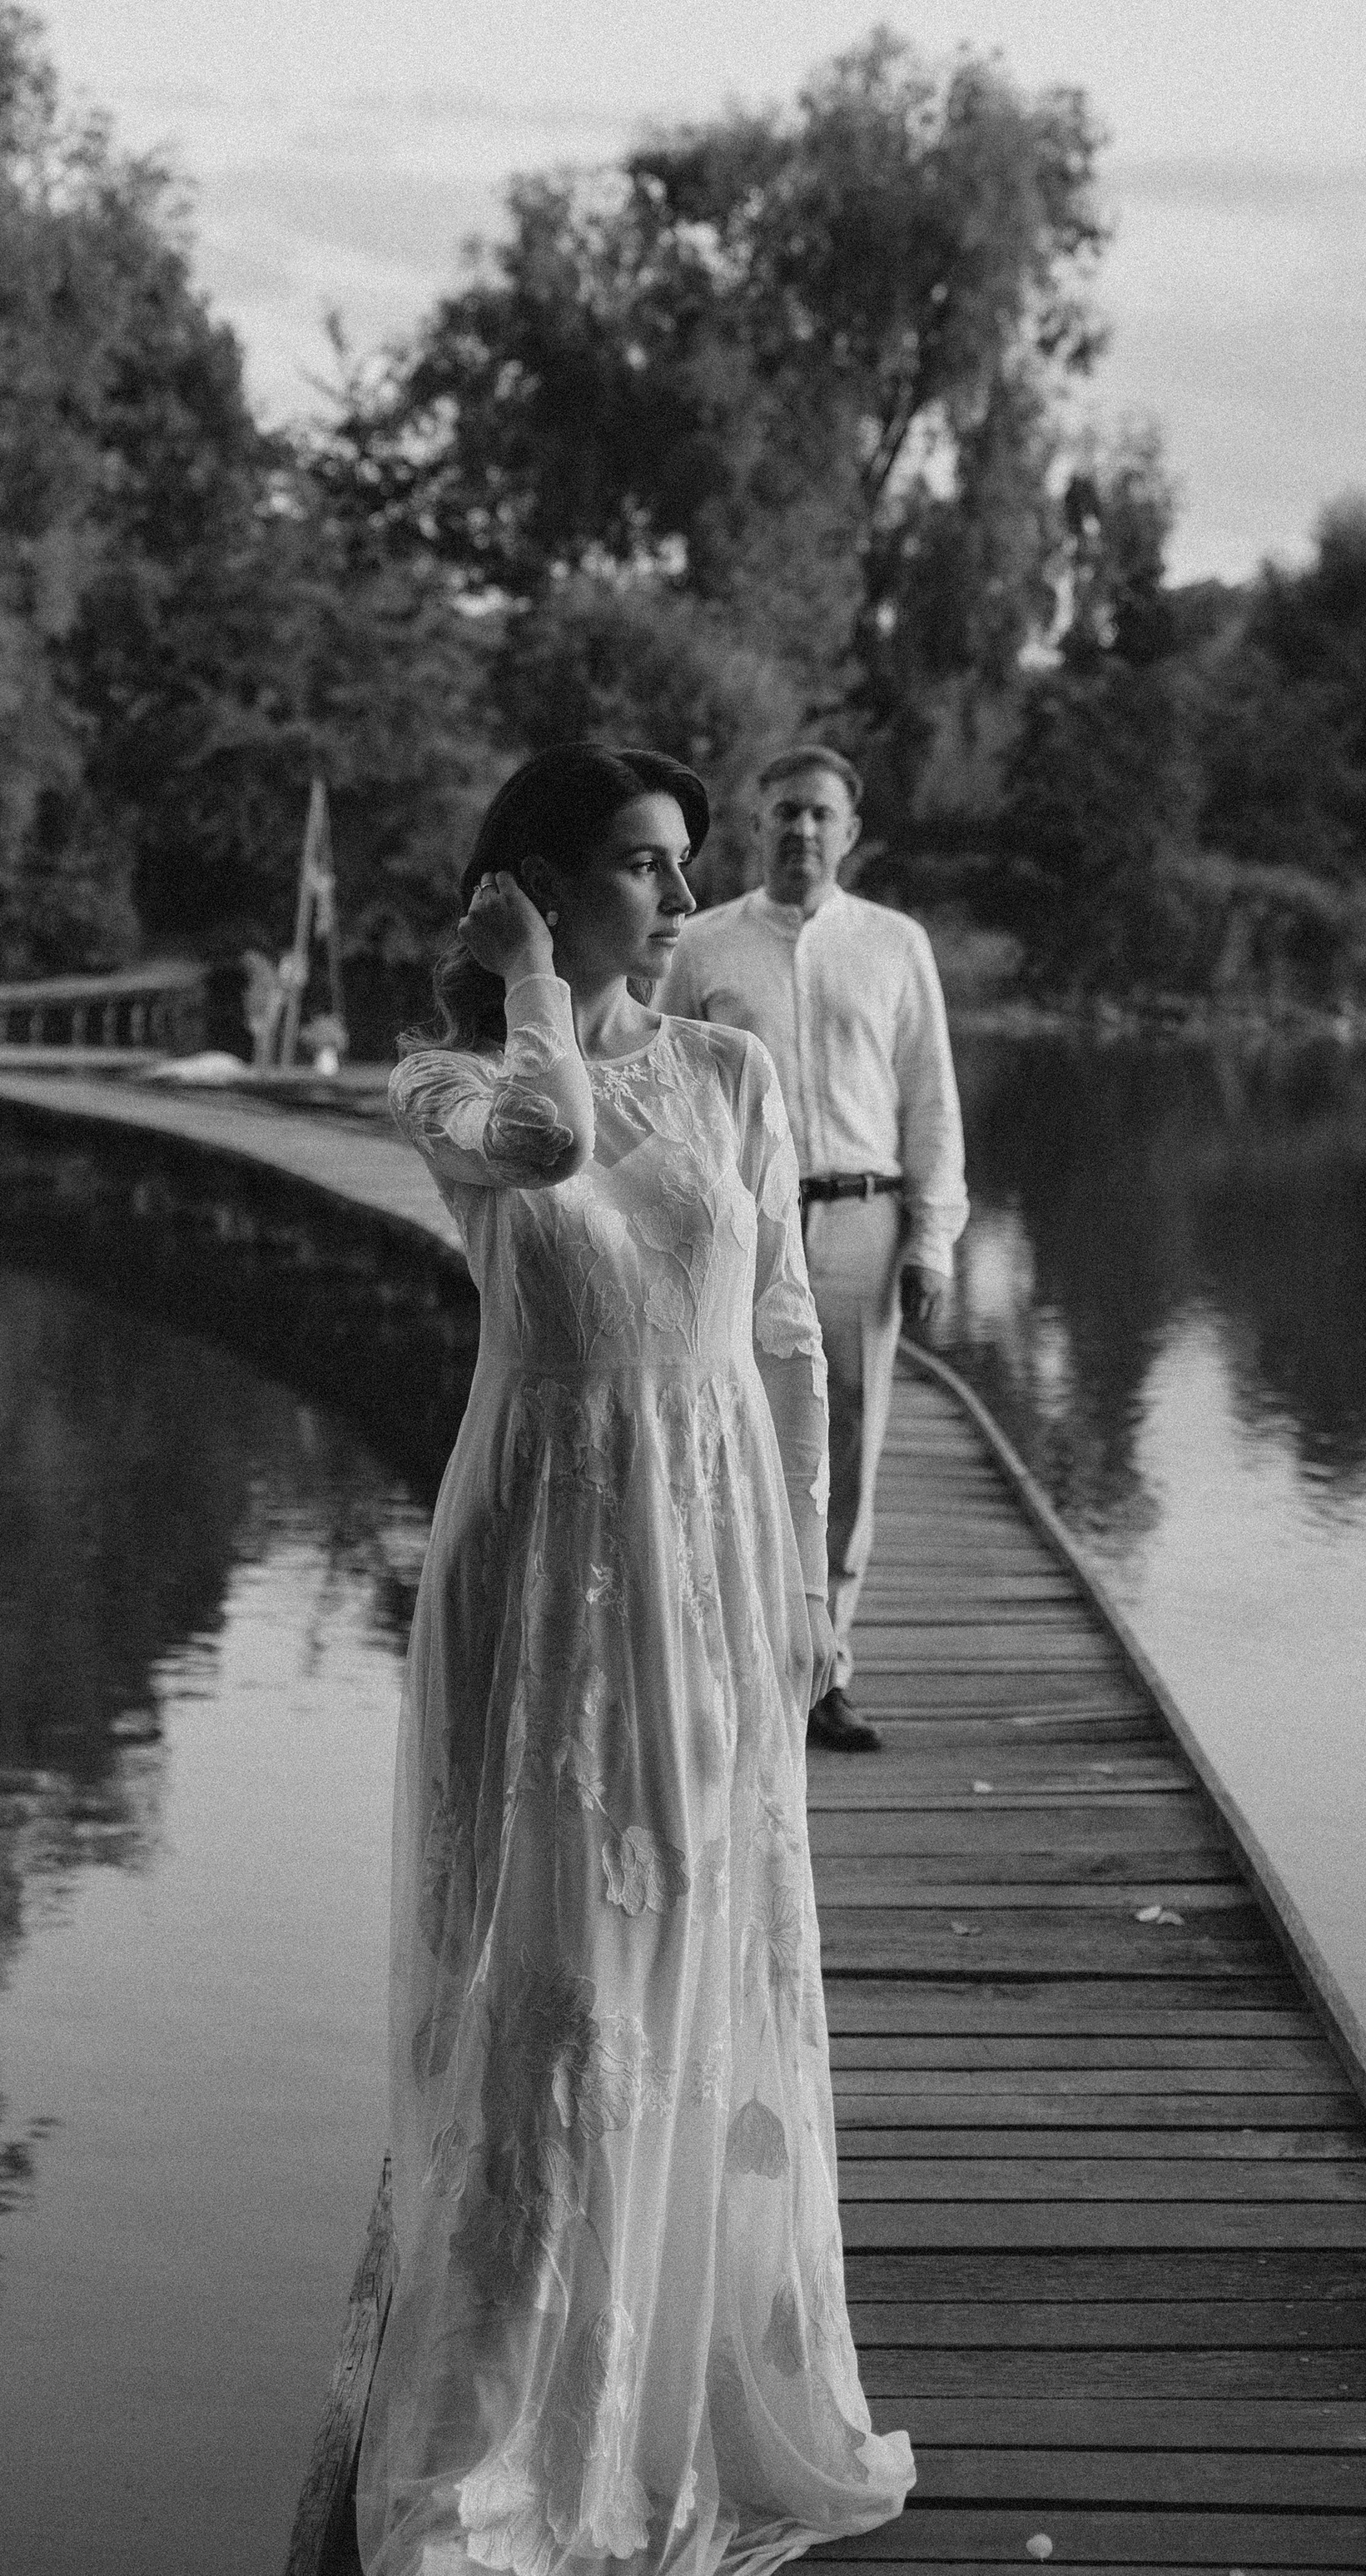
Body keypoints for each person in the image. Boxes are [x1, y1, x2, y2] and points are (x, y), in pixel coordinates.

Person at [359, 744, 913, 2576]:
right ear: (534, 886)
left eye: (687, 865)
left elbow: (786, 1341)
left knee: (692, 1931)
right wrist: (529, 984)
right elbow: (548, 1146)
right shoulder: (444, 1081)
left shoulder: (733, 1073)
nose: (683, 901)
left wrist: (808, 1581)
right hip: (544, 1551)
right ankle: (526, 2416)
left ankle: (680, 2386)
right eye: (639, 866)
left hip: (710, 1536)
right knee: (557, 1978)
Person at [658, 748, 966, 1753]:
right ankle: (732, 1666)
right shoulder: (701, 944)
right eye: (785, 812)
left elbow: (929, 1095)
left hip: (860, 1220)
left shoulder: (894, 944)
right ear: (757, 825)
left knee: (845, 1450)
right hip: (740, 1222)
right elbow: (662, 1090)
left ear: (850, 833)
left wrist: (933, 1239)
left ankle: (824, 1672)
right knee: (729, 1437)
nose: (801, 830)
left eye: (820, 814)